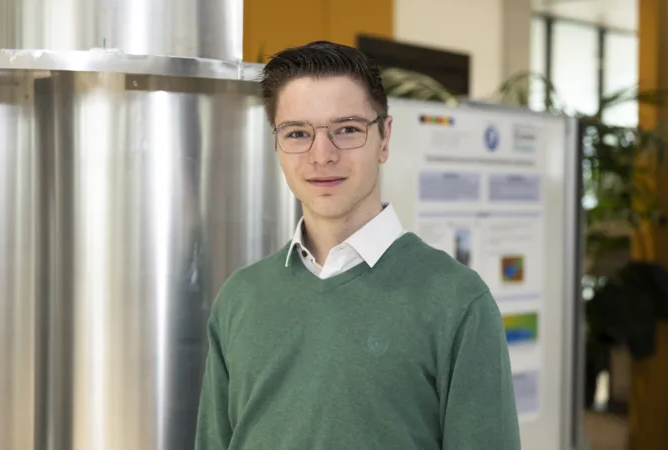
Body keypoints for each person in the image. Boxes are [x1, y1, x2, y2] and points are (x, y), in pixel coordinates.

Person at [194, 40, 520, 450]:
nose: (322, 155)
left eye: (346, 129)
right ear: (277, 145)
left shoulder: (457, 301)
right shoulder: (240, 297)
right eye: (297, 133)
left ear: (384, 138)